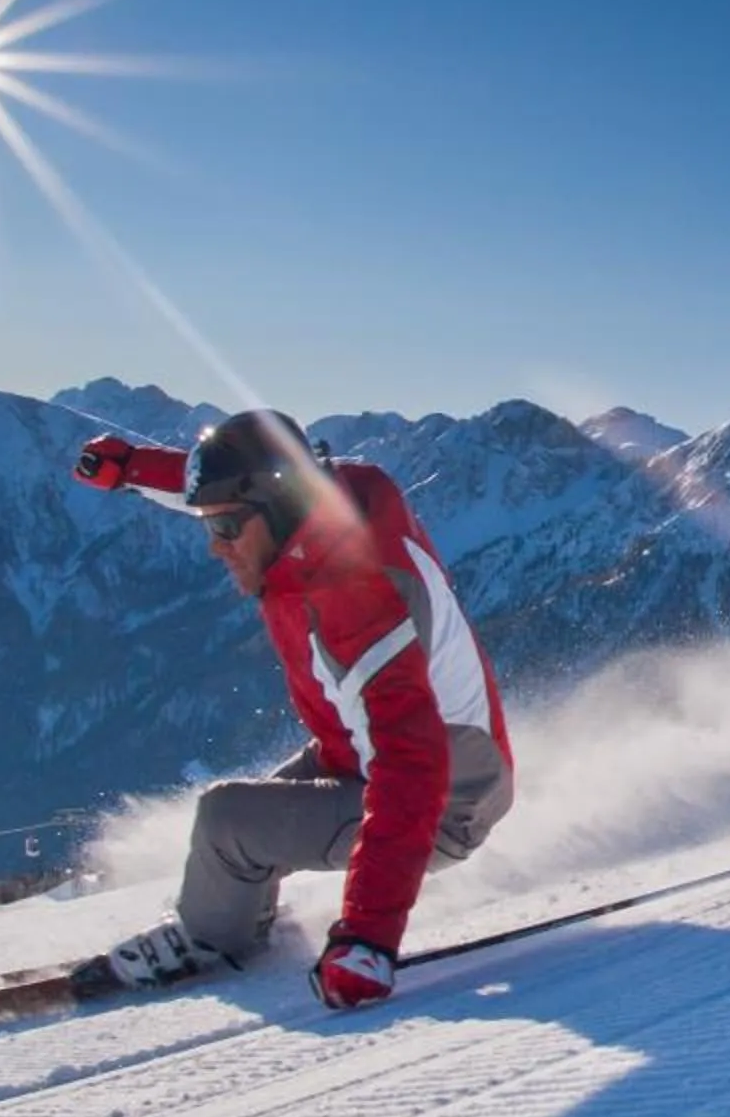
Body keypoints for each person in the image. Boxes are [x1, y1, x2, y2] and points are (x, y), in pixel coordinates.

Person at [73, 409, 515, 1010]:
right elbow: (236, 486)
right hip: (379, 752)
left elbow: (410, 767)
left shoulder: (356, 598)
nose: (213, 547)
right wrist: (130, 469)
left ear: (279, 512)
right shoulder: (341, 495)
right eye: (210, 525)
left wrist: (368, 939)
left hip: (444, 799)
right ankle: (230, 918)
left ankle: (212, 941)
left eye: (226, 529)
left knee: (228, 821)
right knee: (240, 828)